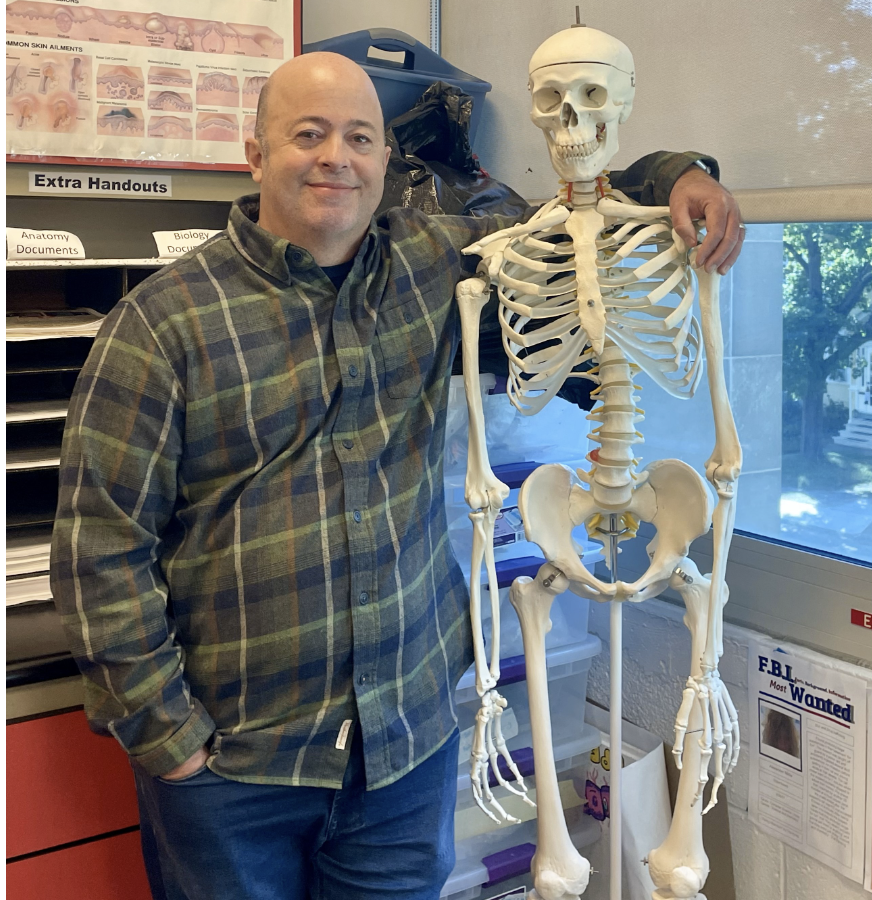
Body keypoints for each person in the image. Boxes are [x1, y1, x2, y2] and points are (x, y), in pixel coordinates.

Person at [50, 52, 744, 900]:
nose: (335, 157)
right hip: (236, 771)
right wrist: (173, 742)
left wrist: (682, 174)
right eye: (307, 135)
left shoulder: (433, 262)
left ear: (387, 161)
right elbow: (98, 554)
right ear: (255, 154)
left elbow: (574, 217)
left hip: (404, 753)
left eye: (359, 137)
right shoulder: (160, 324)